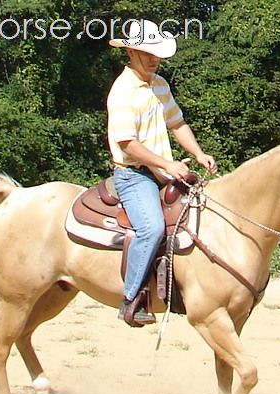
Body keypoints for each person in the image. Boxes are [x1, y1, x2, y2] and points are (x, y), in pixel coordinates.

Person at [107, 19, 217, 327]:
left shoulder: (159, 85)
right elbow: (127, 144)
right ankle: (130, 299)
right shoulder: (123, 91)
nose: (154, 58)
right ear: (130, 52)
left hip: (161, 173)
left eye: (157, 53)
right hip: (134, 176)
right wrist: (168, 165)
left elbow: (177, 124)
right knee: (152, 228)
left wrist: (198, 153)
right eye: (147, 52)